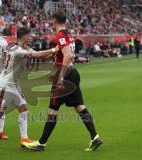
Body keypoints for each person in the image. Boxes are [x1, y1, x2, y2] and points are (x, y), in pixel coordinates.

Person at [22, 11, 102, 152]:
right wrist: (37, 54)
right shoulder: (68, 35)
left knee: (52, 110)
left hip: (64, 75)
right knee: (80, 106)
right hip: (73, 73)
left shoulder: (60, 35)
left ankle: (41, 143)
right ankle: (95, 137)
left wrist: (60, 76)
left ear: (54, 21)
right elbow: (57, 52)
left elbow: (68, 55)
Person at [0, 27, 59, 151]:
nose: (31, 37)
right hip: (6, 85)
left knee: (24, 110)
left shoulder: (24, 48)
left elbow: (39, 55)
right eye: (29, 35)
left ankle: (24, 138)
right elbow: (37, 54)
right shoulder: (17, 49)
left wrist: (56, 52)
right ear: (23, 36)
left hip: (15, 85)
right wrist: (54, 49)